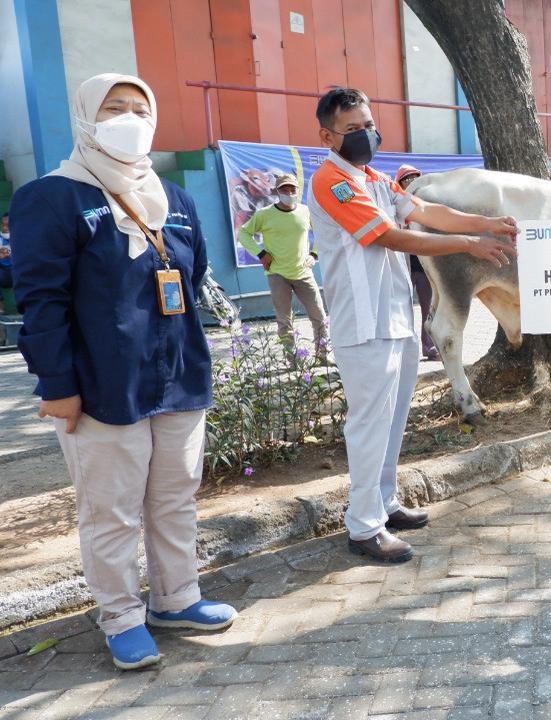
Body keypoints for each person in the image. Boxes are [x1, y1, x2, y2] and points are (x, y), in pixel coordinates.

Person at [9, 73, 236, 670]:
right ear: (86, 116)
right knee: (110, 511)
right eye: (115, 108)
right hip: (101, 386)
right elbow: (42, 302)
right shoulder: (52, 196)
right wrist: (58, 387)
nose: (130, 118)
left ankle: (176, 598)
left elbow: (191, 278)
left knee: (175, 497)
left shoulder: (174, 200)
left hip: (179, 375)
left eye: (141, 107)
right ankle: (120, 616)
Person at [308, 87, 517, 563]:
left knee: (393, 419)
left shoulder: (377, 179)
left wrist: (486, 225)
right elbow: (388, 235)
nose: (365, 134)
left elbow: (425, 213)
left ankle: (382, 504)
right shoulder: (333, 182)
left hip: (398, 315)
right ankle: (363, 527)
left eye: (368, 124)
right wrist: (469, 244)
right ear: (327, 135)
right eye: (353, 129)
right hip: (364, 321)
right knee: (369, 423)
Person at [236, 173, 330, 354]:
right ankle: (292, 358)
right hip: (277, 274)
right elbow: (243, 233)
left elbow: (322, 232)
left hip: (303, 272)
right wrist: (261, 253)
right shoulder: (264, 214)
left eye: (291, 189)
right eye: (284, 189)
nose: (288, 193)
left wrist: (314, 254)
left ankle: (322, 355)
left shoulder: (305, 211)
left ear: (297, 190)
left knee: (319, 315)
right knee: (284, 320)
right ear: (277, 191)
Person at [394, 164, 440, 361]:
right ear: (399, 184)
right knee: (400, 309)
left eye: (415, 178)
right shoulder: (394, 207)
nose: (412, 183)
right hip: (402, 268)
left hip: (424, 269)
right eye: (407, 179)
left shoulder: (425, 207)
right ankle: (402, 350)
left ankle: (429, 347)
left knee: (428, 308)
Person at [0, 213, 13, 314]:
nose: (5, 228)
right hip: (3, 273)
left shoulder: (20, 238)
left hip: (17, 273)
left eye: (7, 225)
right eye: (3, 225)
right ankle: (1, 308)